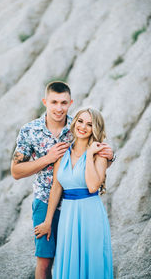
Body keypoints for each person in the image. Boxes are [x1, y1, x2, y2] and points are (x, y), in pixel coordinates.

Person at [11, 82, 114, 279]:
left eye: (64, 103)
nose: (59, 108)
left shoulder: (75, 125)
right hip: (45, 200)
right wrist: (47, 159)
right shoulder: (30, 130)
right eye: (54, 102)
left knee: (83, 257)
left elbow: (95, 160)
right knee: (44, 259)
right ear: (45, 102)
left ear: (70, 103)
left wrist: (108, 157)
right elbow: (16, 171)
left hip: (75, 205)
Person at [35, 107, 113, 279]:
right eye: (80, 121)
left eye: (89, 124)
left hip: (90, 214)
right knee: (69, 261)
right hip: (68, 216)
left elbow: (93, 186)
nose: (83, 127)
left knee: (91, 262)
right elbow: (56, 187)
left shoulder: (99, 154)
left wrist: (91, 153)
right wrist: (48, 221)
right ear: (74, 122)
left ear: (95, 128)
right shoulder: (62, 153)